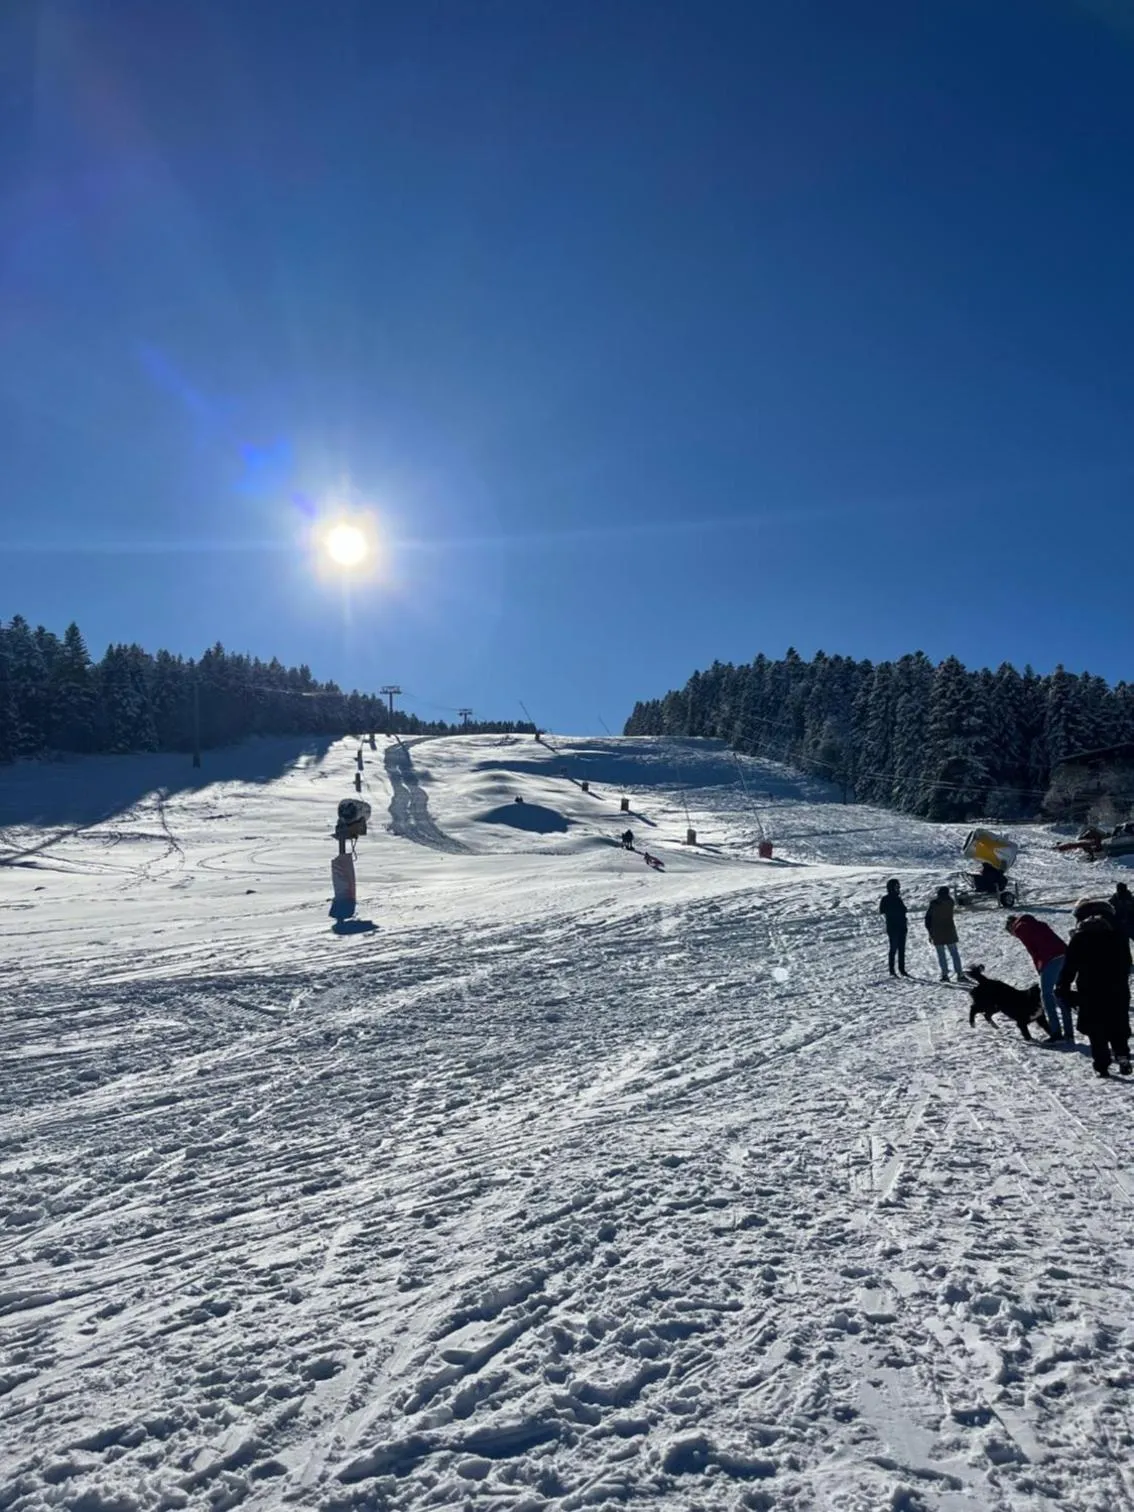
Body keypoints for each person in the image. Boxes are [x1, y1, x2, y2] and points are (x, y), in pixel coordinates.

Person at [1057, 899, 1133, 1078]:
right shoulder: (1117, 934)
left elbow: (1069, 966)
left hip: (1090, 989)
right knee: (1118, 1023)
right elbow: (1127, 963)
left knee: (1095, 1027)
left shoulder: (1080, 936)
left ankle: (1102, 1064)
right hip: (1117, 988)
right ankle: (1122, 1055)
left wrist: (1063, 986)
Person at [1005, 913, 1072, 1042]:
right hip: (1064, 955)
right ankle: (1069, 1033)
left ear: (1011, 927)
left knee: (1046, 995)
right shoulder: (1037, 923)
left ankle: (1056, 1033)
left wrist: (1040, 969)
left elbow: (1034, 951)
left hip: (1049, 959)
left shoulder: (1020, 929)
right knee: (1061, 993)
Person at [925, 886, 967, 982]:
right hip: (949, 931)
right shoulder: (950, 902)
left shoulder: (934, 904)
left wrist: (930, 932)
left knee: (941, 955)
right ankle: (960, 974)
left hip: (937, 932)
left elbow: (928, 919)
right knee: (954, 953)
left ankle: (945, 975)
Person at [879, 878, 910, 977]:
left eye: (898, 887)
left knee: (901, 949)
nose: (898, 889)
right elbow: (883, 911)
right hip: (893, 928)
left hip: (900, 927)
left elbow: (904, 910)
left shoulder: (897, 898)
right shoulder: (887, 899)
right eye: (897, 887)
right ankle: (892, 970)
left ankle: (901, 969)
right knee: (894, 949)